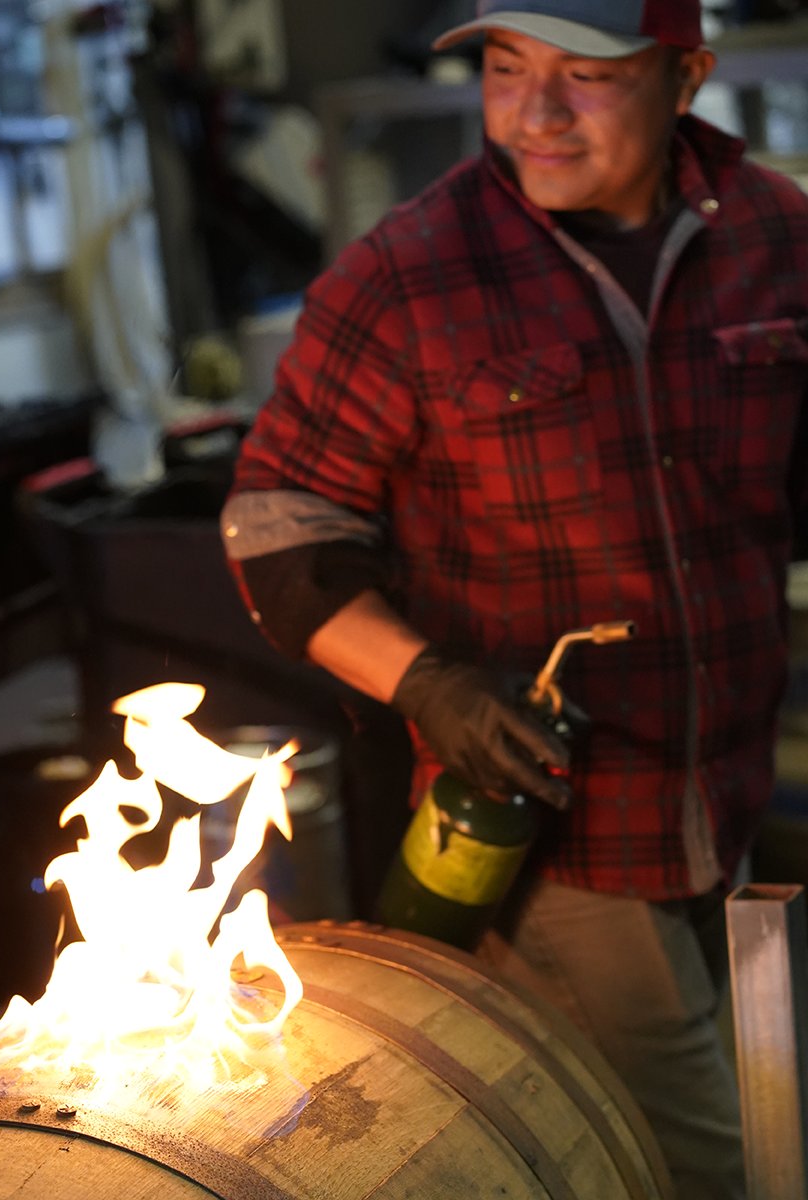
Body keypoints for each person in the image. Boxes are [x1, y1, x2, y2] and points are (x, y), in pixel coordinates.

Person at [220, 2, 808, 1195]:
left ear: (684, 76)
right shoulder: (410, 276)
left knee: (761, 1127)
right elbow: (280, 524)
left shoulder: (777, 236)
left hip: (732, 794)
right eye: (504, 68)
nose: (533, 114)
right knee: (705, 1170)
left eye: (584, 76)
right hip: (556, 826)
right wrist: (426, 682)